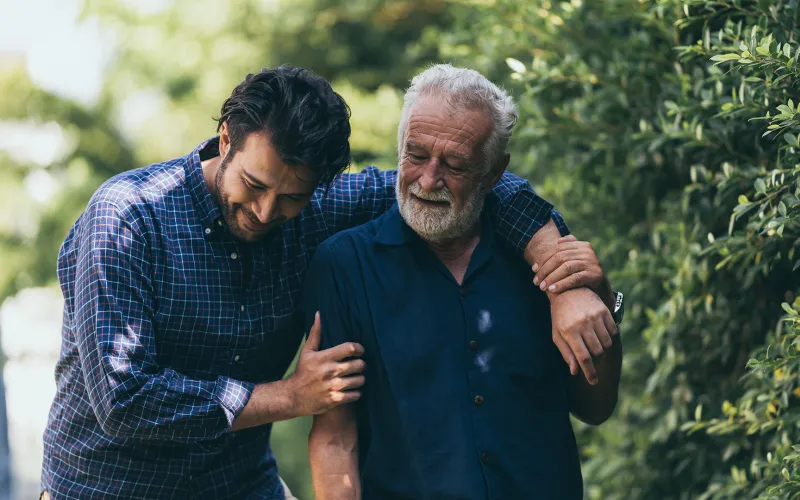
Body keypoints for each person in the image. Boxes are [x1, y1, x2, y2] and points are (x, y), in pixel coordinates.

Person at [41, 65, 613, 500]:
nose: (266, 212)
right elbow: (124, 399)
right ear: (226, 139)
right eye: (254, 184)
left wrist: (564, 281)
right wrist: (291, 396)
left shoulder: (319, 208)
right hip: (105, 489)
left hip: (240, 488)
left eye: (291, 196)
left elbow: (481, 185)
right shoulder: (126, 218)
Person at [304, 64, 624, 500]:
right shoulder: (344, 264)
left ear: (494, 172)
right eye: (416, 155)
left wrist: (600, 303)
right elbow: (336, 437)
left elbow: (595, 408)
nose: (428, 180)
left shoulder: (544, 257)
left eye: (455, 165)